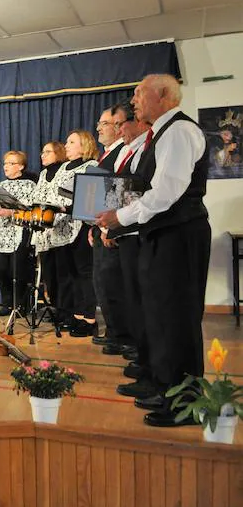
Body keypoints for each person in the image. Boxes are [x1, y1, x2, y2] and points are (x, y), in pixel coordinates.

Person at [97, 74, 210, 428]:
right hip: (162, 233)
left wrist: (119, 217)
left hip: (178, 234)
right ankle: (166, 388)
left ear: (163, 95)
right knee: (159, 316)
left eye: (139, 93)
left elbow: (165, 193)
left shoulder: (177, 131)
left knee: (176, 318)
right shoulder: (160, 132)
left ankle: (186, 404)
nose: (133, 100)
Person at [104, 104, 153, 399]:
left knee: (141, 299)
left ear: (139, 124)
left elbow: (134, 191)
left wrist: (117, 223)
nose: (120, 130)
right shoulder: (128, 150)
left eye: (122, 124)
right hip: (124, 228)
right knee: (132, 297)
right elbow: (116, 191)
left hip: (138, 230)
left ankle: (146, 357)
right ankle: (142, 355)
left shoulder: (143, 148)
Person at [89, 104, 132, 354]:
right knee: (102, 283)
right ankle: (114, 330)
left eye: (104, 124)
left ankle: (122, 334)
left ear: (118, 127)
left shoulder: (122, 153)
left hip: (112, 228)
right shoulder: (106, 154)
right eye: (100, 124)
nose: (99, 129)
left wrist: (108, 230)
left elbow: (119, 192)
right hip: (100, 226)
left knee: (112, 284)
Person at [47, 131, 98, 336]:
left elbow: (90, 198)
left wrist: (66, 207)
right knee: (70, 274)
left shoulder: (91, 166)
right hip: (61, 226)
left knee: (84, 273)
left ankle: (89, 319)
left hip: (81, 225)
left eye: (71, 142)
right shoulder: (62, 168)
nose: (66, 145)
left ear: (84, 145)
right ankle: (75, 315)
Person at [0, 151, 36, 317]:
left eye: (11, 163)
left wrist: (12, 212)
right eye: (5, 163)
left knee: (16, 270)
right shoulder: (1, 185)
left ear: (21, 166)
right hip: (1, 232)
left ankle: (20, 305)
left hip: (18, 231)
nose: (6, 166)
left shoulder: (29, 185)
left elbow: (31, 209)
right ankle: (7, 303)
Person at [30, 141, 67, 310]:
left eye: (47, 152)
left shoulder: (66, 170)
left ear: (58, 153)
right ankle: (55, 307)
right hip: (44, 230)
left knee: (63, 273)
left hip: (61, 227)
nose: (42, 155)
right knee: (49, 273)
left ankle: (67, 310)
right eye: (42, 152)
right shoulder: (43, 174)